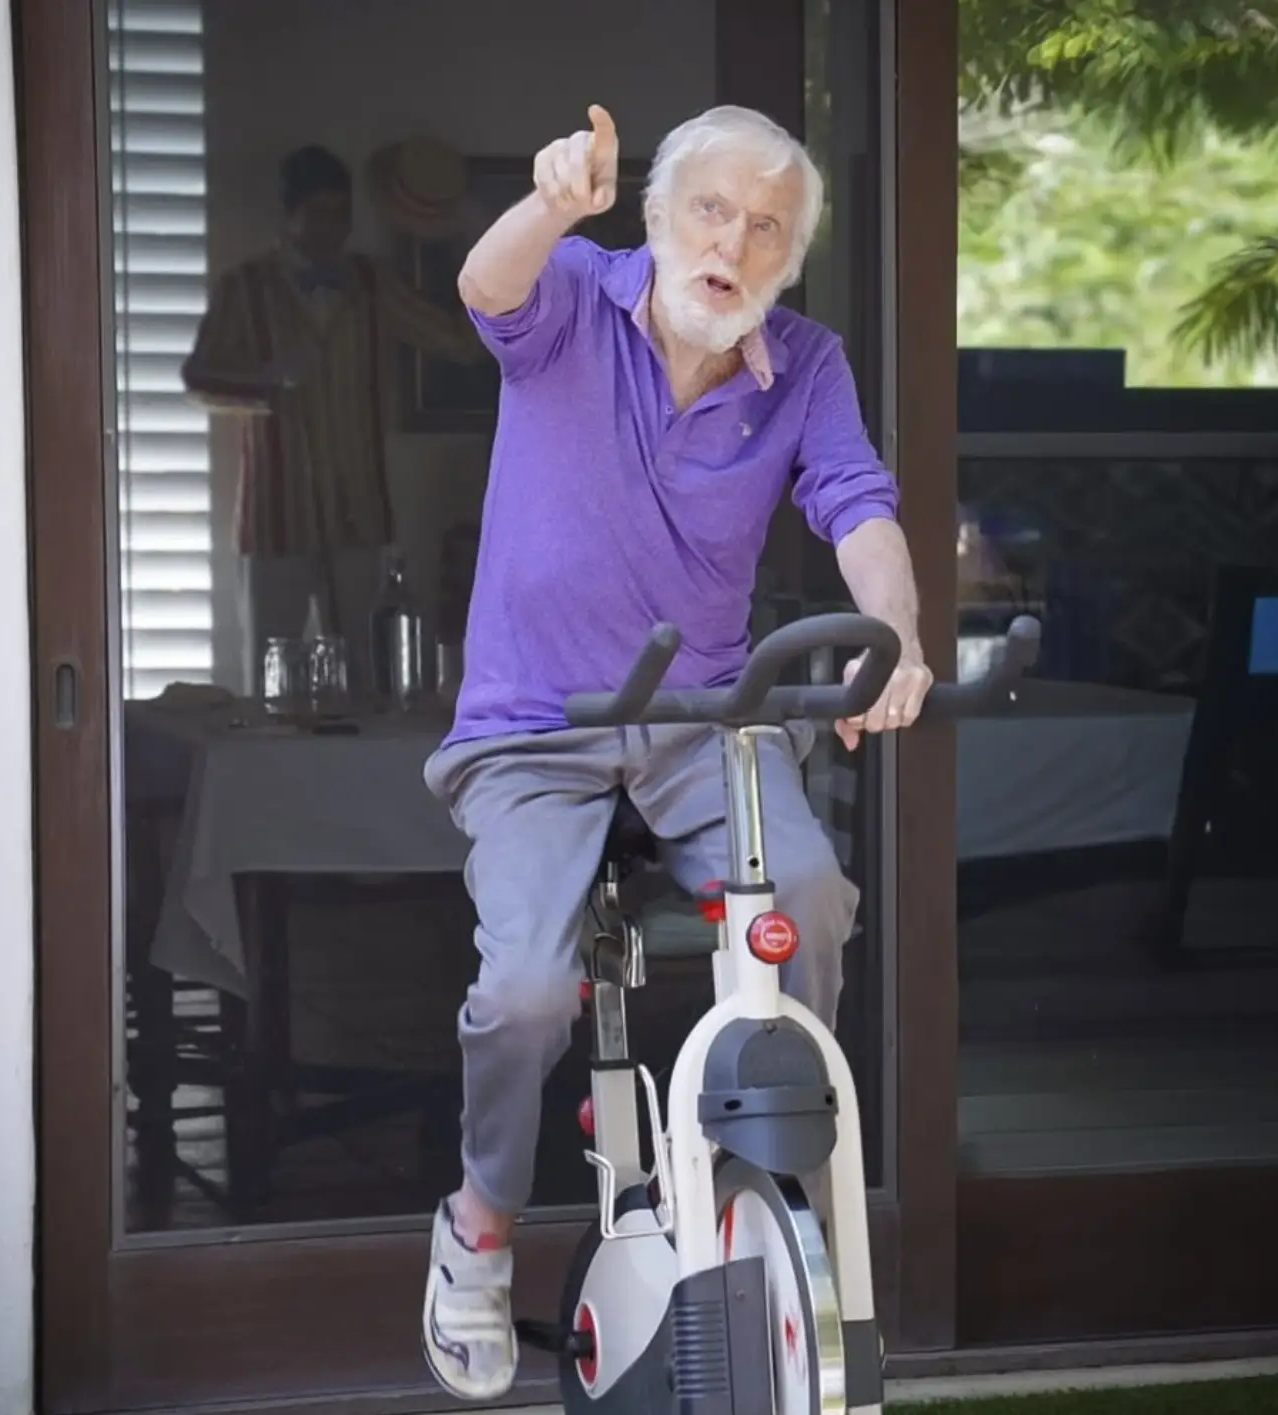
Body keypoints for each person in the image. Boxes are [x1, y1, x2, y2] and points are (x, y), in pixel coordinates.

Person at [420, 103, 933, 1401]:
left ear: (788, 256)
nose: (735, 240)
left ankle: (761, 1180)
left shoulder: (805, 364)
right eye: (710, 208)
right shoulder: (576, 293)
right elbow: (485, 286)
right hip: (536, 725)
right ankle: (479, 1223)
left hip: (704, 716)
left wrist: (902, 639)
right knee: (529, 988)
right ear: (656, 219)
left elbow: (860, 507)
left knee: (812, 894)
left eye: (766, 225)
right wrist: (549, 203)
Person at [181, 144, 483, 692]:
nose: (331, 228)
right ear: (288, 215)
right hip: (277, 515)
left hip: (358, 511)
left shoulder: (371, 283)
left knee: (368, 673)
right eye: (317, 212)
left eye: (340, 213)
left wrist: (480, 253)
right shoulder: (244, 288)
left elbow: (459, 341)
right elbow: (199, 380)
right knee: (270, 674)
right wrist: (265, 378)